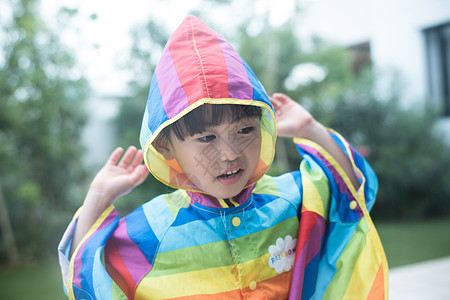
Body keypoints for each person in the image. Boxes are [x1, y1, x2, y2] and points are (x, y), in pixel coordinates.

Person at [58, 15, 388, 299]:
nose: (230, 153)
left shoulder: (291, 199)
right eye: (206, 137)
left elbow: (349, 194)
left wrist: (311, 129)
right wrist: (98, 196)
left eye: (245, 131)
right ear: (166, 147)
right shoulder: (154, 231)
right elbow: (87, 275)